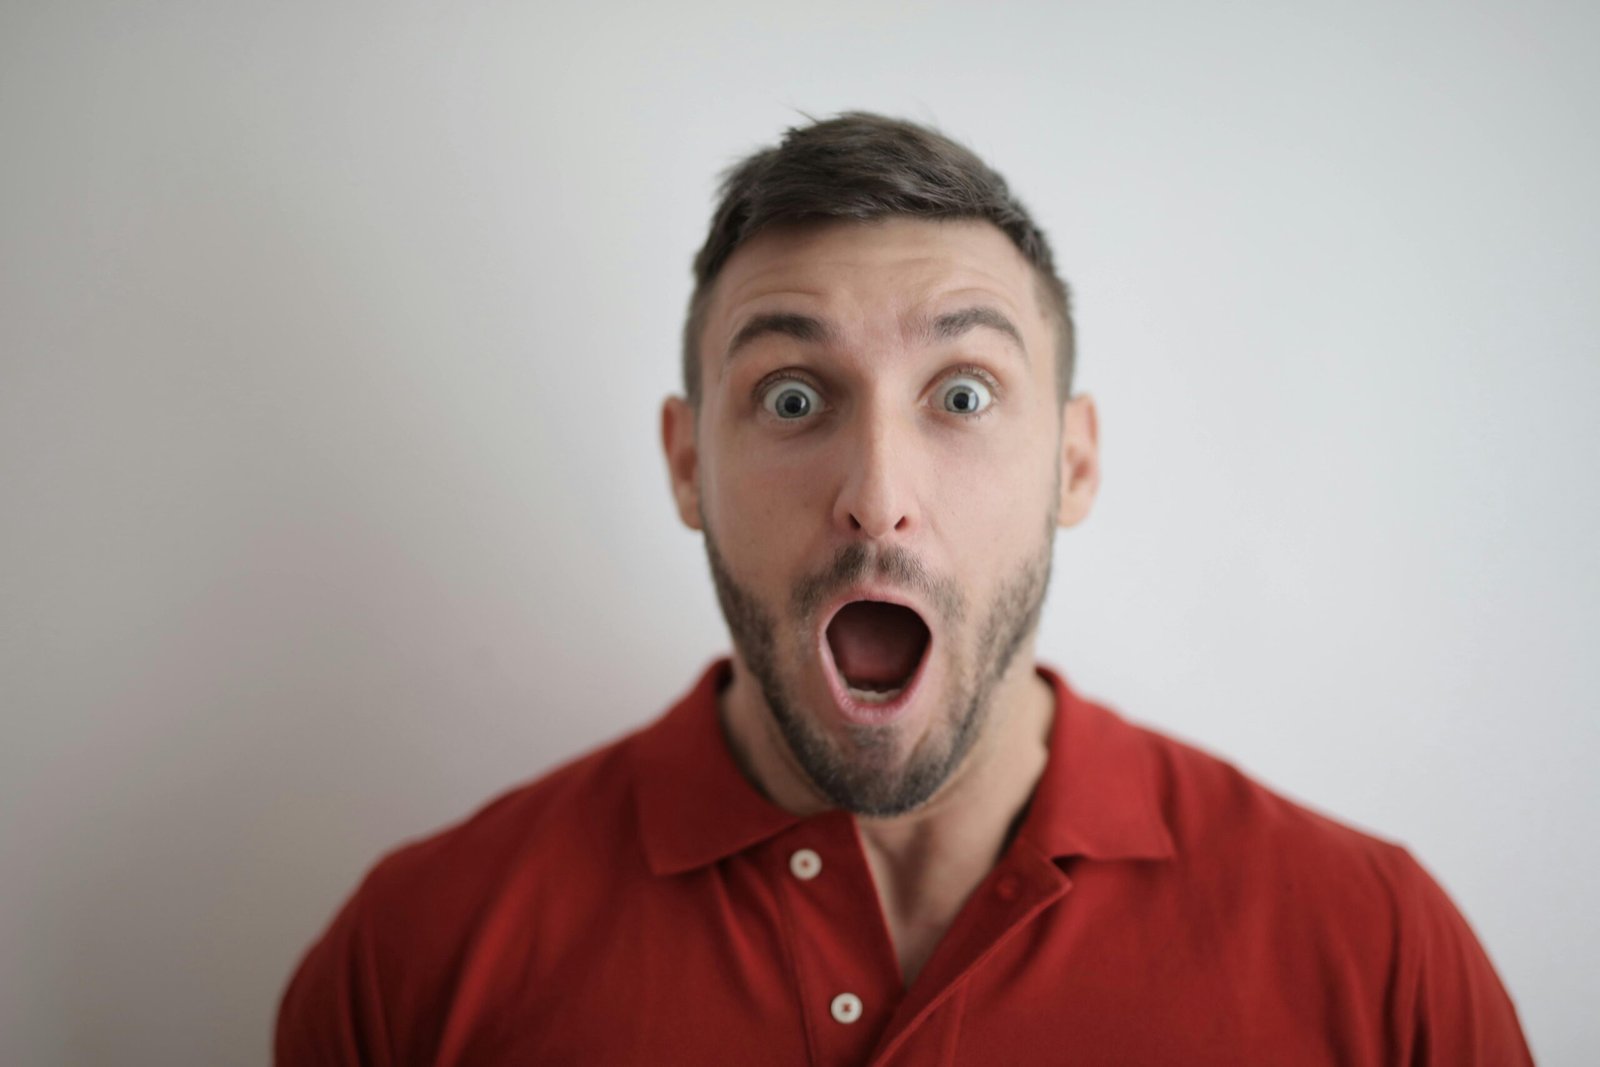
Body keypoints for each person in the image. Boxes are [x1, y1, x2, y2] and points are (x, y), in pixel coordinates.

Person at [275, 112, 1534, 1065]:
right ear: (684, 462)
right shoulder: (414, 961)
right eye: (790, 396)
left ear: (1074, 459)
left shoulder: (1376, 955)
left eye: (964, 394)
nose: (876, 494)